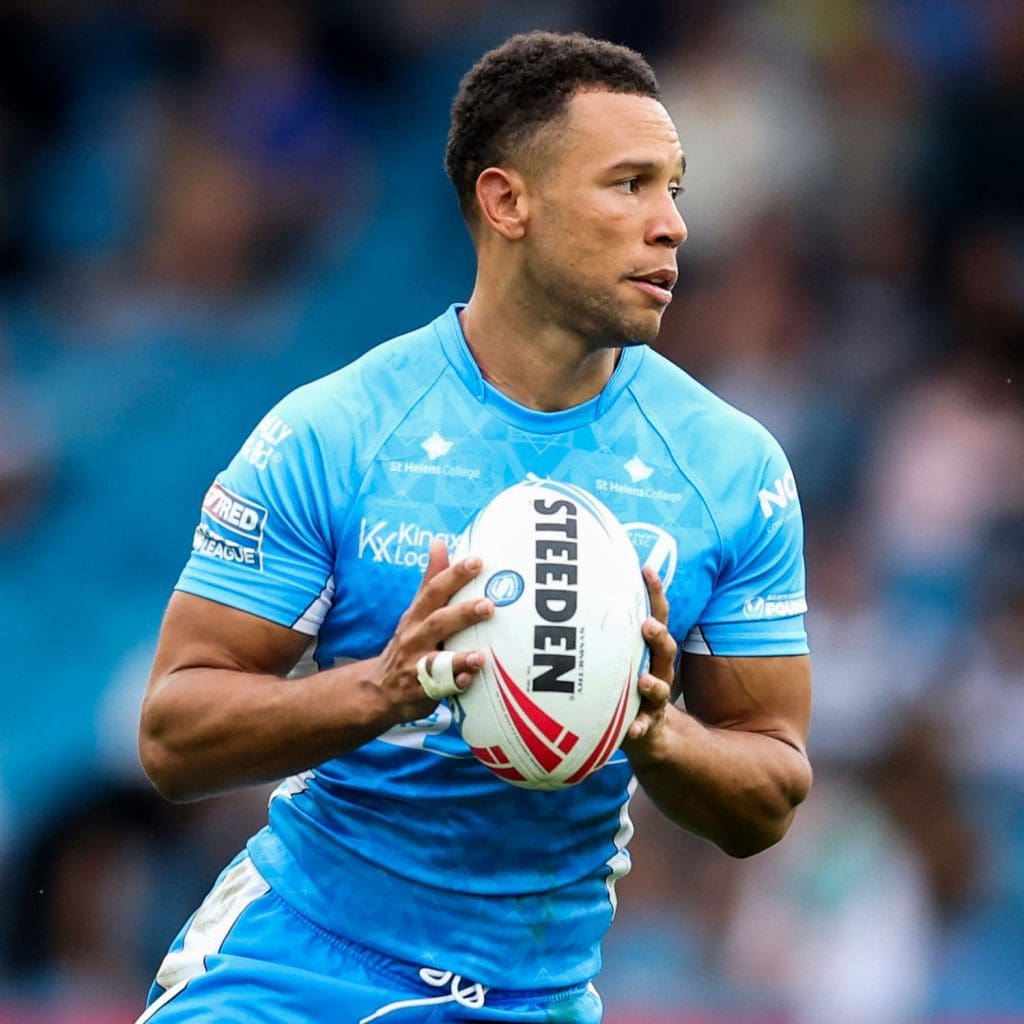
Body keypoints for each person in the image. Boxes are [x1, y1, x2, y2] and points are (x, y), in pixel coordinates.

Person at [136, 30, 813, 1023]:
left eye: (673, 189)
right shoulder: (336, 433)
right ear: (507, 203)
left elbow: (772, 789)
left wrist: (655, 729)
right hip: (299, 970)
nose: (671, 225)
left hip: (532, 995)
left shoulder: (733, 471)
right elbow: (172, 734)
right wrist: (381, 689)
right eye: (628, 185)